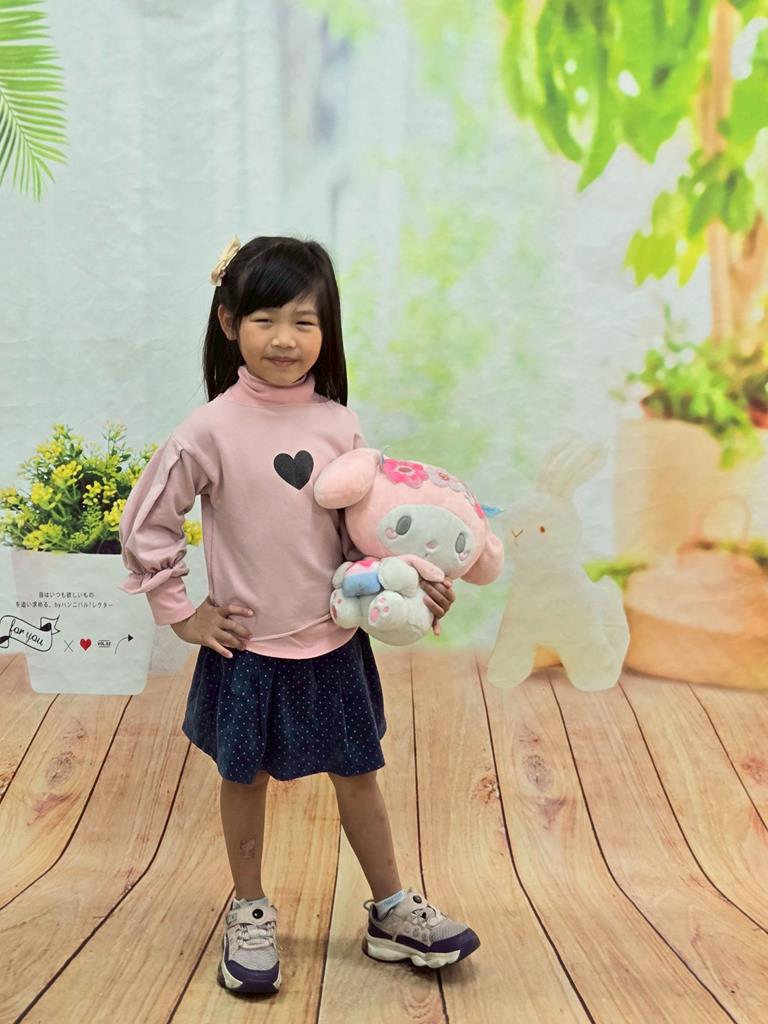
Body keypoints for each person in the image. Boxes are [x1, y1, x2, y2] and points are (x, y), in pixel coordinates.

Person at [118, 235, 480, 996]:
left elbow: (364, 536)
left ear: (327, 330)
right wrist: (182, 613)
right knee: (244, 779)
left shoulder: (339, 425)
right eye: (266, 319)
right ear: (229, 322)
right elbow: (148, 521)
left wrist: (416, 582)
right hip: (247, 650)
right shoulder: (207, 430)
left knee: (360, 776)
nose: (285, 338)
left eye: (304, 321)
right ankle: (249, 909)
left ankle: (390, 909)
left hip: (334, 642)